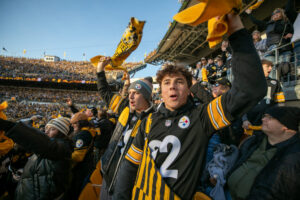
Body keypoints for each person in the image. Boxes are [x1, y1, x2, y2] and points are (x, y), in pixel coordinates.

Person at [113, 13, 267, 200]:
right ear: (160, 91)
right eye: (167, 83)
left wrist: (235, 29)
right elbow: (129, 167)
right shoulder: (147, 122)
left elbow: (250, 90)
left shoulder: (202, 117)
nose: (172, 86)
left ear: (188, 90)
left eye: (179, 82)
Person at [96, 57, 155, 199]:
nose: (131, 97)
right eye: (129, 93)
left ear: (146, 97)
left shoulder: (154, 120)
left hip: (129, 184)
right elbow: (105, 93)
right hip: (108, 173)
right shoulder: (124, 108)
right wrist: (100, 71)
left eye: (136, 93)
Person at [228, 106, 300, 200]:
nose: (263, 119)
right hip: (226, 192)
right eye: (264, 116)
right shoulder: (253, 141)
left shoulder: (293, 157)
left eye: (269, 118)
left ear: (285, 126)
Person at [0, 117, 73, 200]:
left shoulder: (63, 149)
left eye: (52, 129)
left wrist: (8, 126)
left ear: (62, 133)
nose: (46, 132)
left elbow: (44, 144)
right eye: (46, 128)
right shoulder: (48, 150)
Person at [242, 59, 285, 129]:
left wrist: (280, 117)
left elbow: (280, 103)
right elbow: (242, 104)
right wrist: (245, 120)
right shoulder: (248, 82)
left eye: (271, 66)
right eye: (267, 66)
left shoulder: (275, 83)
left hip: (269, 121)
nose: (270, 68)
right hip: (251, 122)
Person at [67, 112, 96, 200]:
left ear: (81, 123)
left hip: (80, 168)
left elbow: (78, 157)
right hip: (85, 165)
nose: (73, 125)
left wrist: (64, 158)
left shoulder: (83, 134)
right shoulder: (86, 131)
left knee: (76, 191)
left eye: (75, 123)